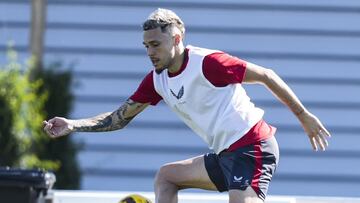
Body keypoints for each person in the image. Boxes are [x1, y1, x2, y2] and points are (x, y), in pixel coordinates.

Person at [43, 8, 331, 203]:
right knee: (166, 177)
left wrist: (303, 116)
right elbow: (119, 118)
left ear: (177, 38)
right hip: (224, 154)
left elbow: (267, 75)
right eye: (146, 46)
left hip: (253, 147)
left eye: (155, 44)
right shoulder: (157, 80)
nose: (150, 52)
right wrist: (72, 124)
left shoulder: (209, 63)